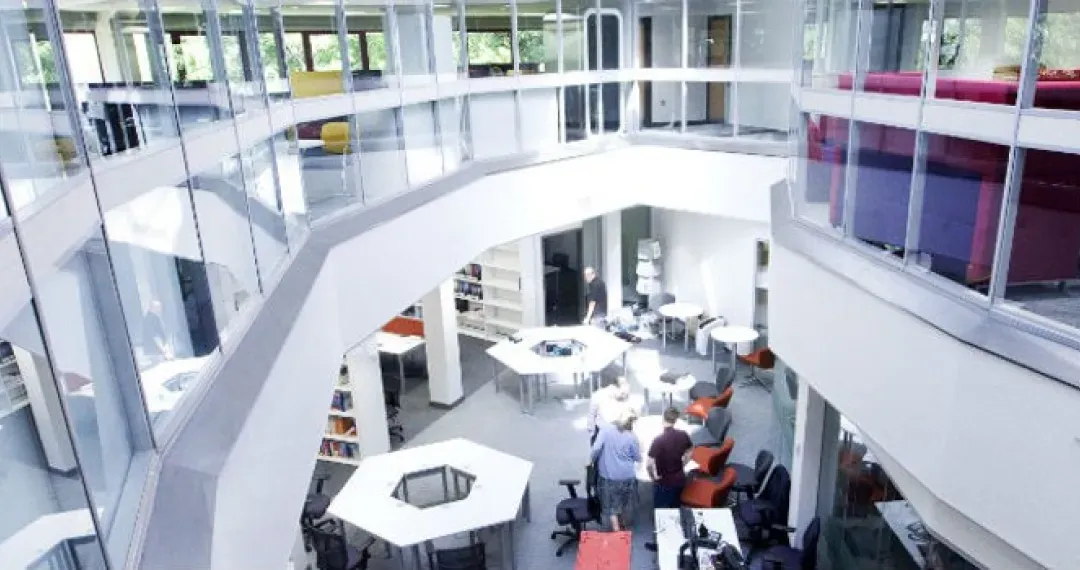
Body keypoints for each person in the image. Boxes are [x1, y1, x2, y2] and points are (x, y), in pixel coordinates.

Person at [591, 406, 641, 531]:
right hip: (627, 476)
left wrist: (591, 460)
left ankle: (617, 534)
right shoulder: (632, 436)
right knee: (623, 503)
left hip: (610, 476)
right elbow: (637, 457)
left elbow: (596, 449)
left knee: (611, 507)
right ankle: (623, 525)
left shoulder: (606, 430)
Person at [647, 407, 694, 509]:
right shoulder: (683, 435)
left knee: (660, 509)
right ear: (675, 420)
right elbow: (690, 451)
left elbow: (649, 464)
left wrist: (652, 477)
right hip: (679, 478)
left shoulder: (658, 440)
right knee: (675, 507)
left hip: (663, 480)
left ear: (663, 419)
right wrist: (684, 463)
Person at [587, 376, 630, 444]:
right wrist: (592, 434)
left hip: (617, 434)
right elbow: (591, 416)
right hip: (600, 433)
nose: (624, 396)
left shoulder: (622, 399)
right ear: (614, 387)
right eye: (623, 393)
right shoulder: (598, 396)